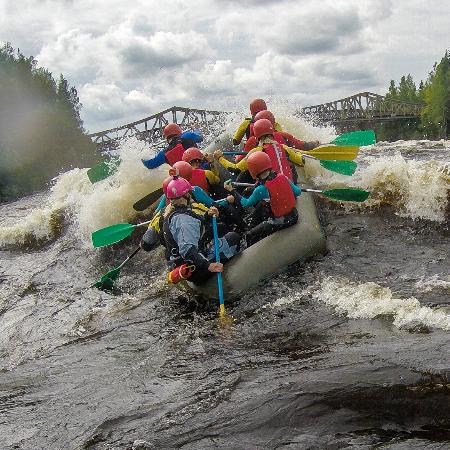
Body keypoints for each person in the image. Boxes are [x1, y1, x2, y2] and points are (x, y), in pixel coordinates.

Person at [162, 176, 241, 284]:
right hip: (197, 270)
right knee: (233, 238)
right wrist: (209, 265)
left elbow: (195, 225)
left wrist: (207, 215)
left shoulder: (173, 213)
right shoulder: (183, 220)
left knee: (220, 228)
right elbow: (188, 250)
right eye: (189, 193)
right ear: (184, 195)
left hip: (188, 264)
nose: (191, 195)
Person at [224, 152, 301, 247]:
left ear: (253, 171)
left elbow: (245, 203)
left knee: (249, 235)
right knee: (262, 205)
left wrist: (232, 191)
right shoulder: (282, 176)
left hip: (282, 221)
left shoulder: (261, 190)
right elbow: (297, 192)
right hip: (294, 214)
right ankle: (252, 221)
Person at [215, 118, 306, 182]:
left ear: (257, 136)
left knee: (246, 189)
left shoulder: (256, 151)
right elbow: (301, 162)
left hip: (272, 192)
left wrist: (220, 158)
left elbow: (235, 169)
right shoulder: (283, 147)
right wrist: (297, 154)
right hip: (289, 187)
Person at [243, 110, 320, 153]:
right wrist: (314, 144)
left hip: (263, 178)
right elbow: (302, 146)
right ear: (272, 123)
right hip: (288, 176)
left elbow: (241, 159)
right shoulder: (284, 136)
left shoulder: (251, 141)